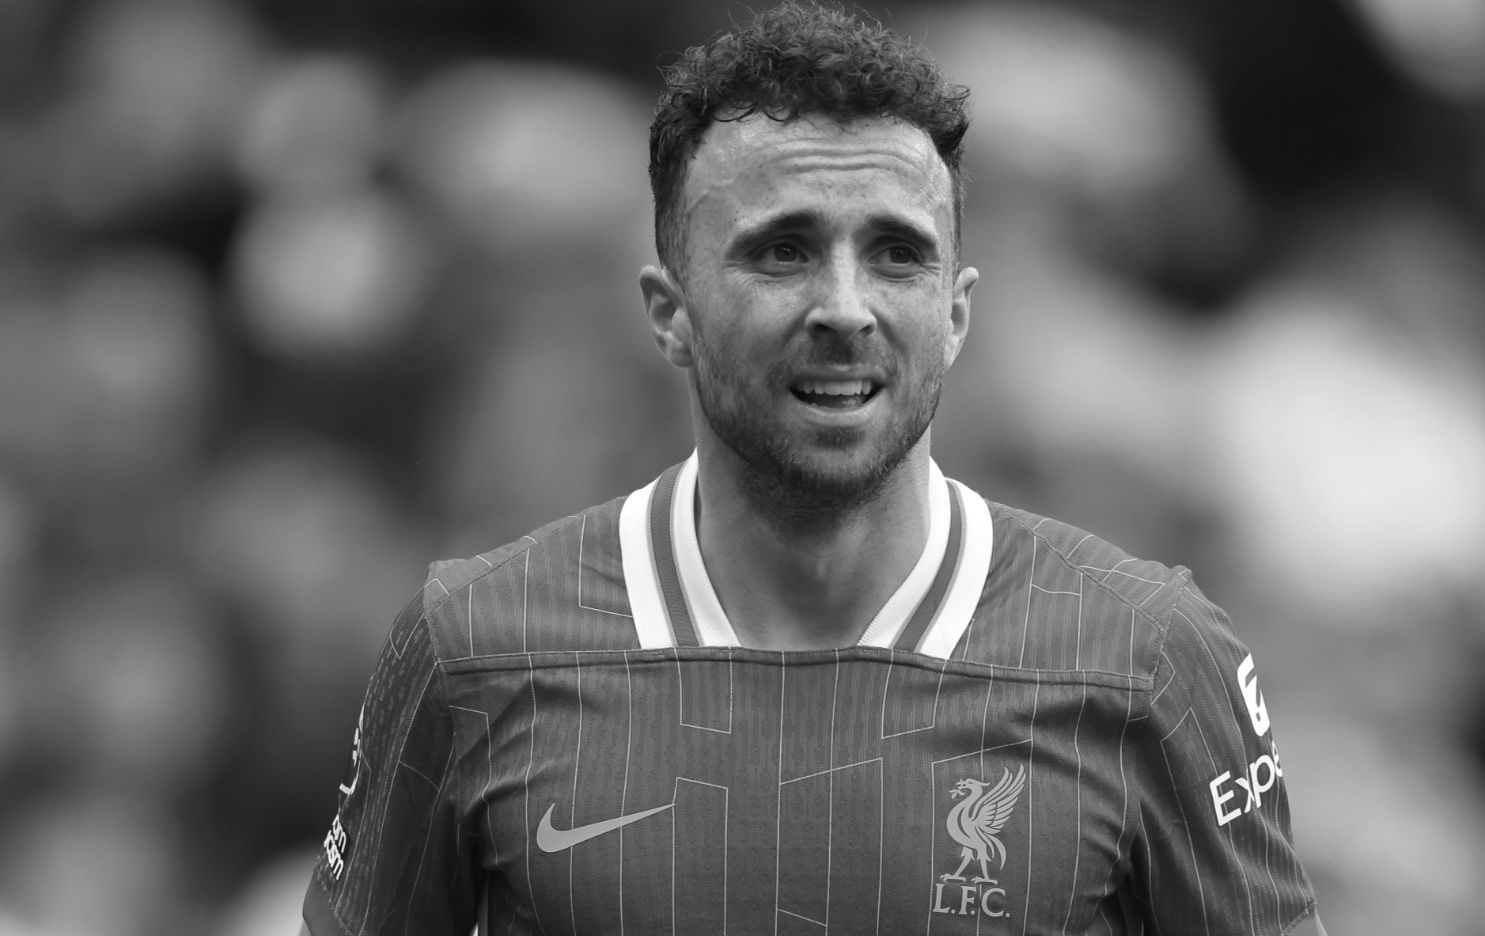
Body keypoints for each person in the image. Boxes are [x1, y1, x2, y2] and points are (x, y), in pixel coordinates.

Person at [300, 3, 1327, 933]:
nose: (844, 308)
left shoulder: (1146, 655)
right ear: (669, 313)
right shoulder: (475, 647)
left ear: (956, 311)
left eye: (896, 253)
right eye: (782, 251)